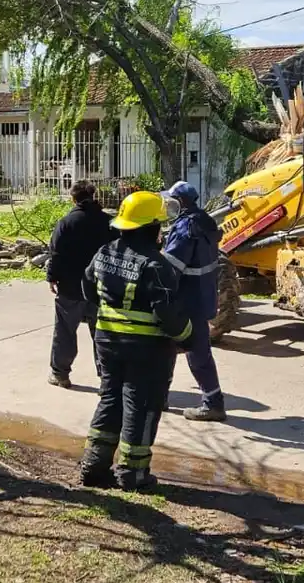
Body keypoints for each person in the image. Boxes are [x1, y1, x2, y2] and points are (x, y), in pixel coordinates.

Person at [79, 191, 191, 491]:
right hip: (147, 351)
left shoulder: (104, 252)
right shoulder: (156, 265)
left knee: (110, 399)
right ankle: (133, 474)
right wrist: (188, 337)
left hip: (107, 342)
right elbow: (167, 313)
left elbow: (88, 288)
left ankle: (93, 465)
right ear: (153, 227)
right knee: (141, 408)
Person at [160, 181, 228, 422]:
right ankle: (207, 400)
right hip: (202, 297)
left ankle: (212, 403)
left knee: (183, 350)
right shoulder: (205, 222)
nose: (168, 205)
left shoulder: (185, 227)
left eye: (171, 201)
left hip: (184, 300)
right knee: (191, 350)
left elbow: (171, 267)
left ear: (182, 202)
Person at [45, 180, 112, 388]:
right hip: (101, 288)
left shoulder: (66, 223)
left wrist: (52, 277)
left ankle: (60, 374)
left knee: (65, 331)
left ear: (73, 198)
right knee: (102, 334)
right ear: (94, 196)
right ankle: (107, 379)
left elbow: (56, 253)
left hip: (70, 287)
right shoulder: (109, 222)